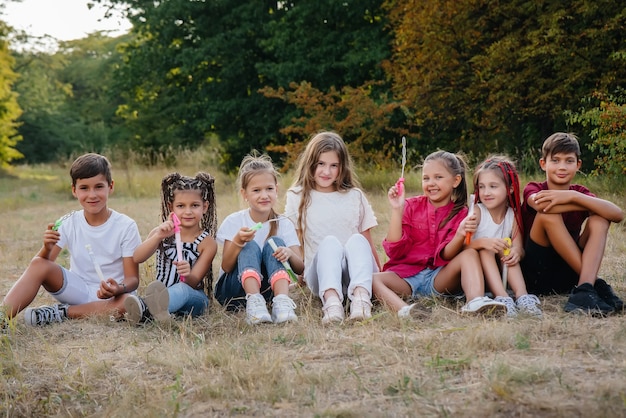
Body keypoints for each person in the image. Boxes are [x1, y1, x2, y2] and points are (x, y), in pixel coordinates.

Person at [0, 153, 142, 326]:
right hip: (78, 291)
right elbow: (41, 267)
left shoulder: (126, 225)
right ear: (74, 190)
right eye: (84, 188)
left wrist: (118, 288)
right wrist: (46, 247)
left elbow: (133, 279)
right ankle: (1, 318)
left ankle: (61, 313)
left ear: (110, 187)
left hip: (114, 296)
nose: (92, 195)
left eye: (99, 186)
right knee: (39, 263)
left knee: (129, 303)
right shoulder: (69, 222)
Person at [372, 150, 506, 319]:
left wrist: (459, 234)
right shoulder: (411, 206)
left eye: (438, 177)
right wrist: (397, 210)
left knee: (469, 253)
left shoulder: (461, 213)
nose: (431, 183)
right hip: (406, 276)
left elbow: (446, 254)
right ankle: (405, 311)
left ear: (456, 180)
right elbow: (394, 250)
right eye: (426, 178)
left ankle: (476, 302)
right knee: (372, 279)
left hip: (439, 277)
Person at [521, 132, 624, 315]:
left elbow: (617, 214)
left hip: (570, 276)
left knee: (599, 219)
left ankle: (584, 290)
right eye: (556, 160)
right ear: (543, 164)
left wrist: (574, 195)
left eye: (569, 161)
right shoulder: (534, 188)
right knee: (547, 215)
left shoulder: (579, 192)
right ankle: (595, 284)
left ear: (578, 165)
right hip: (536, 274)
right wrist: (579, 202)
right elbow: (543, 206)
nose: (562, 167)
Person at [285, 131, 382, 323]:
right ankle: (332, 304)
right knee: (330, 243)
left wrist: (380, 275)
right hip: (321, 276)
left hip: (355, 273)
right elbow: (296, 244)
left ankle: (361, 301)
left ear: (342, 168)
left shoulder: (355, 196)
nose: (326, 172)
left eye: (333, 166)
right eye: (320, 164)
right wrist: (296, 278)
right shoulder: (296, 195)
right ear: (310, 163)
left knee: (357, 240)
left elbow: (367, 244)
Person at [214, 153, 304, 324]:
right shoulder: (234, 221)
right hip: (233, 291)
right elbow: (226, 266)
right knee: (249, 245)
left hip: (268, 290)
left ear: (276, 190)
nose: (264, 195)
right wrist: (238, 242)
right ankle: (254, 303)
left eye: (269, 189)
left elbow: (300, 268)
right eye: (256, 190)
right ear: (244, 194)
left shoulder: (284, 223)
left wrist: (289, 254)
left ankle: (282, 304)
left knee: (276, 243)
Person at [127, 172, 218, 324]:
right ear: (171, 207)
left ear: (205, 207)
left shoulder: (207, 243)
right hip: (162, 293)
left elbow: (193, 282)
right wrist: (158, 236)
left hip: (193, 299)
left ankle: (145, 309)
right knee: (161, 294)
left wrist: (188, 274)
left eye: (194, 205)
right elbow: (137, 257)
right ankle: (156, 313)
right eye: (181, 206)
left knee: (181, 289)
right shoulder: (161, 232)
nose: (188, 211)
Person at [466, 156, 542, 317]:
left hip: (503, 272)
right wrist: (483, 242)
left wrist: (516, 253)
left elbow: (519, 247)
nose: (486, 192)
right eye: (481, 187)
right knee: (487, 249)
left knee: (506, 248)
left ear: (510, 188)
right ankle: (503, 297)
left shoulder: (512, 215)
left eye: (493, 186)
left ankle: (522, 296)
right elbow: (464, 247)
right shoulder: (478, 212)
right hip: (477, 276)